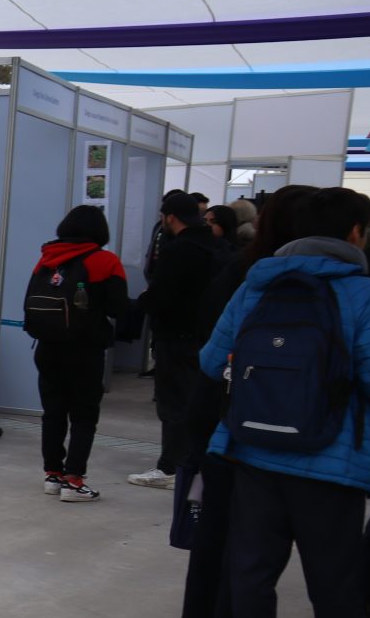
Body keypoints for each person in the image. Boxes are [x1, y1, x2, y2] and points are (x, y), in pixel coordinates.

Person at [200, 188, 370, 618]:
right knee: (334, 571)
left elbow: (212, 361)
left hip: (254, 446)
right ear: (355, 233)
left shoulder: (257, 285)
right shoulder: (366, 294)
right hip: (331, 458)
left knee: (253, 564)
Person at [179, 186, 315, 618]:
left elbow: (209, 349)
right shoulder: (273, 281)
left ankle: (208, 613)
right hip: (261, 418)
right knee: (253, 535)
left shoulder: (244, 270)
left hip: (225, 411)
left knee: (222, 522)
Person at [23, 205, 129, 502]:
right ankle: (74, 480)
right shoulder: (105, 261)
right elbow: (118, 308)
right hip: (85, 349)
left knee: (53, 412)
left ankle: (53, 475)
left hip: (47, 347)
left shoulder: (46, 258)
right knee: (84, 416)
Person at [129, 191, 228, 488]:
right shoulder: (219, 247)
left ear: (170, 217)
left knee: (173, 404)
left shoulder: (177, 250)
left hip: (175, 337)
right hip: (208, 337)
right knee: (198, 402)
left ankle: (170, 467)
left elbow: (161, 296)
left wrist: (141, 302)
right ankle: (194, 463)